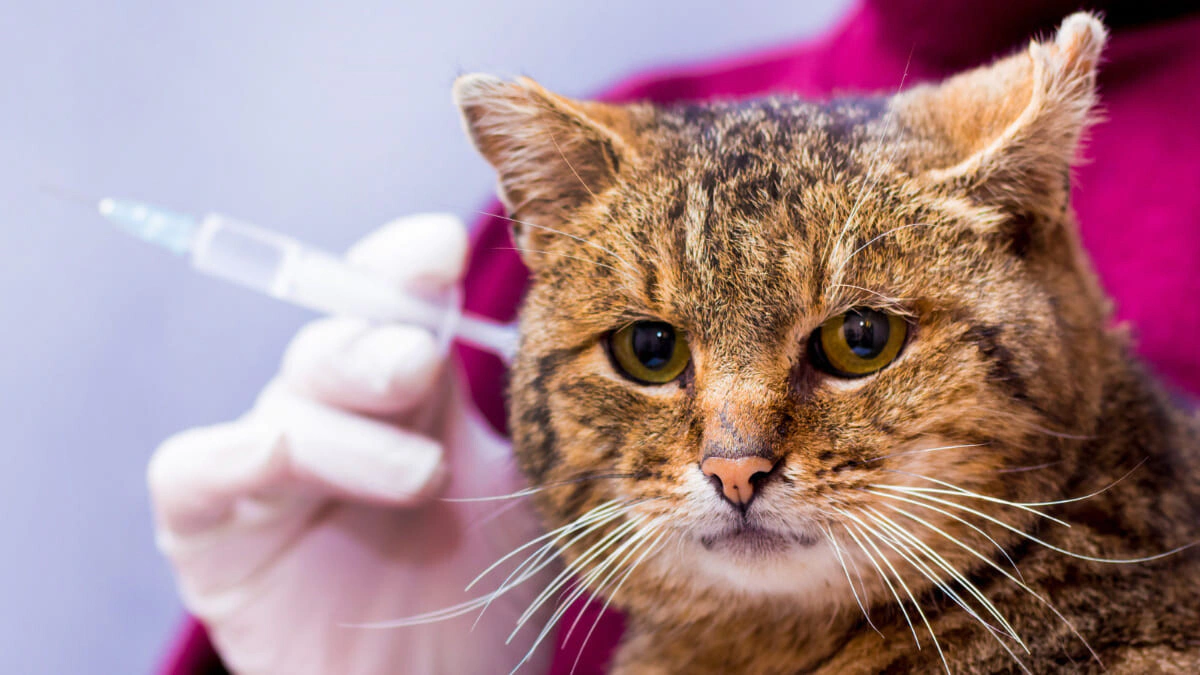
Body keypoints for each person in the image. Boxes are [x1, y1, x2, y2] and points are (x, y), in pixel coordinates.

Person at [154, 1, 1200, 673]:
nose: (735, 460)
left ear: (1027, 225)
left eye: (857, 342)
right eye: (652, 355)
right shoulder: (624, 151)